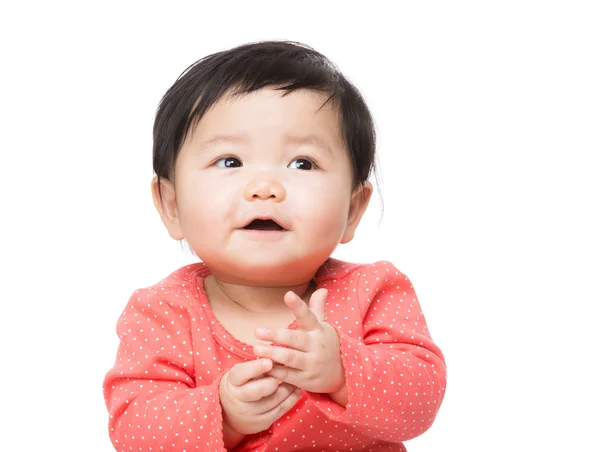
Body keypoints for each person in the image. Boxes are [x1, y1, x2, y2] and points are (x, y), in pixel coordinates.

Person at [103, 40, 447, 452]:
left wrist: (342, 369)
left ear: (353, 209)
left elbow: (420, 404)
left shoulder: (373, 291)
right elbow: (134, 430)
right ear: (171, 205)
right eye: (229, 161)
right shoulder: (162, 312)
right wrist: (222, 413)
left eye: (303, 163)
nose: (265, 188)